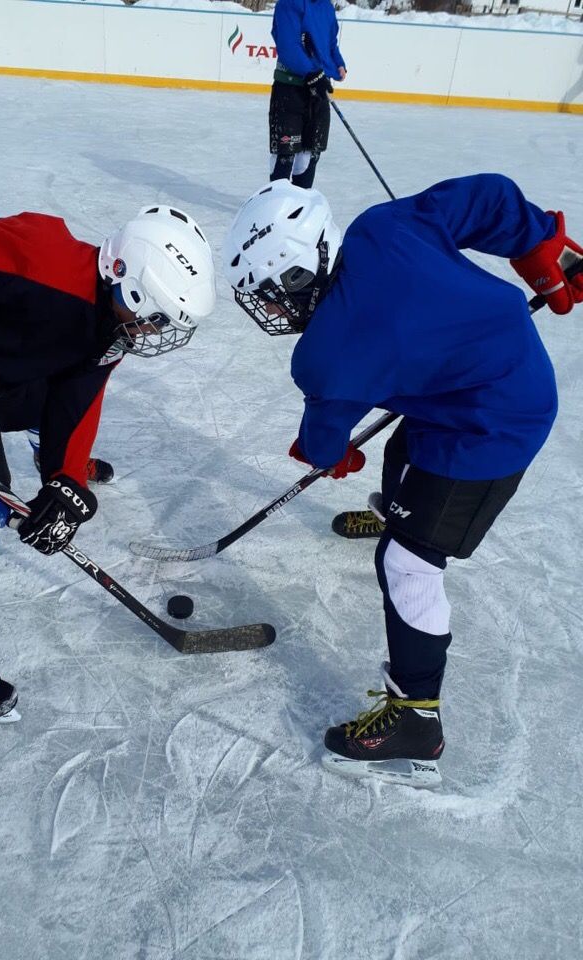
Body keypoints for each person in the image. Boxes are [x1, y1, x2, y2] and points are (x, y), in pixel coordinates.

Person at [223, 175, 583, 786]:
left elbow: (322, 442)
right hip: (479, 377)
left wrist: (330, 455)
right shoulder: (381, 228)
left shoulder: (323, 355)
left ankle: (417, 719)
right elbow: (488, 198)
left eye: (272, 294)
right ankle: (403, 510)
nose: (272, 311)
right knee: (404, 444)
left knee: (408, 564)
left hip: (494, 424)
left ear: (299, 273)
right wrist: (543, 244)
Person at [0, 190, 216, 723]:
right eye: (157, 319)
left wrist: (65, 479)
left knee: (54, 406)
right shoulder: (37, 267)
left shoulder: (110, 322)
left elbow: (78, 396)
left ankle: (45, 460)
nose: (154, 333)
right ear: (129, 286)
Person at [269, 0, 347, 189]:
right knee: (285, 154)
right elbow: (288, 45)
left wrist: (338, 63)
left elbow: (329, 43)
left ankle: (301, 207)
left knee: (310, 153)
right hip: (290, 90)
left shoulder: (326, 7)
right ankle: (276, 206)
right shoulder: (289, 3)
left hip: (317, 90)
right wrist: (310, 72)